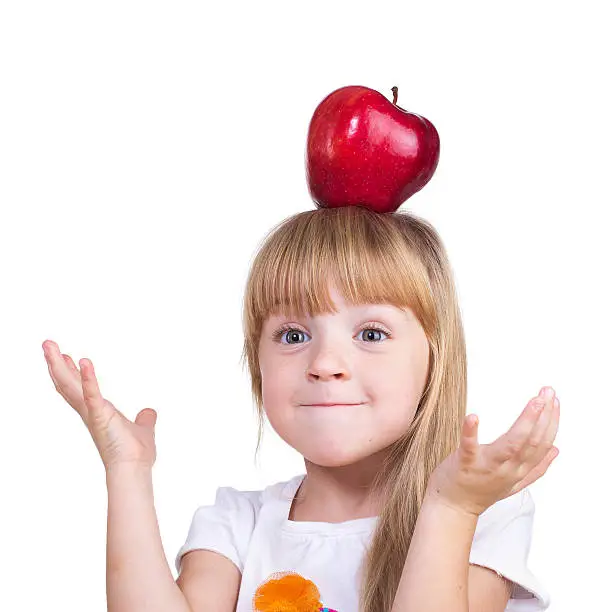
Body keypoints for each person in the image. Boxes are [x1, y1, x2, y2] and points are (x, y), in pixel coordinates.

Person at [42, 205, 559, 612]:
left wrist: (450, 508)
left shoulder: (483, 512)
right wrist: (127, 472)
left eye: (371, 333)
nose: (325, 363)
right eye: (293, 335)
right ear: (256, 362)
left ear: (435, 357)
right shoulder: (236, 524)